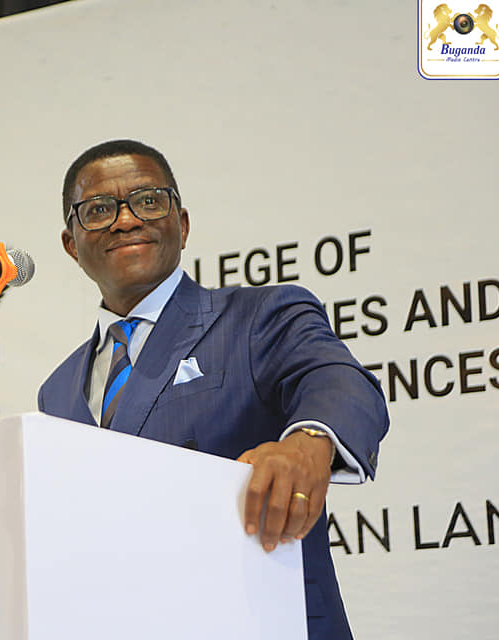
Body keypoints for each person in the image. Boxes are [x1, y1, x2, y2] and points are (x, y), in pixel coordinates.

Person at [38, 139, 389, 639]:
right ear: (72, 244)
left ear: (181, 224)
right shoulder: (55, 392)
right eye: (97, 210)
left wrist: (309, 440)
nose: (125, 220)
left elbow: (338, 380)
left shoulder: (259, 317)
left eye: (148, 200)